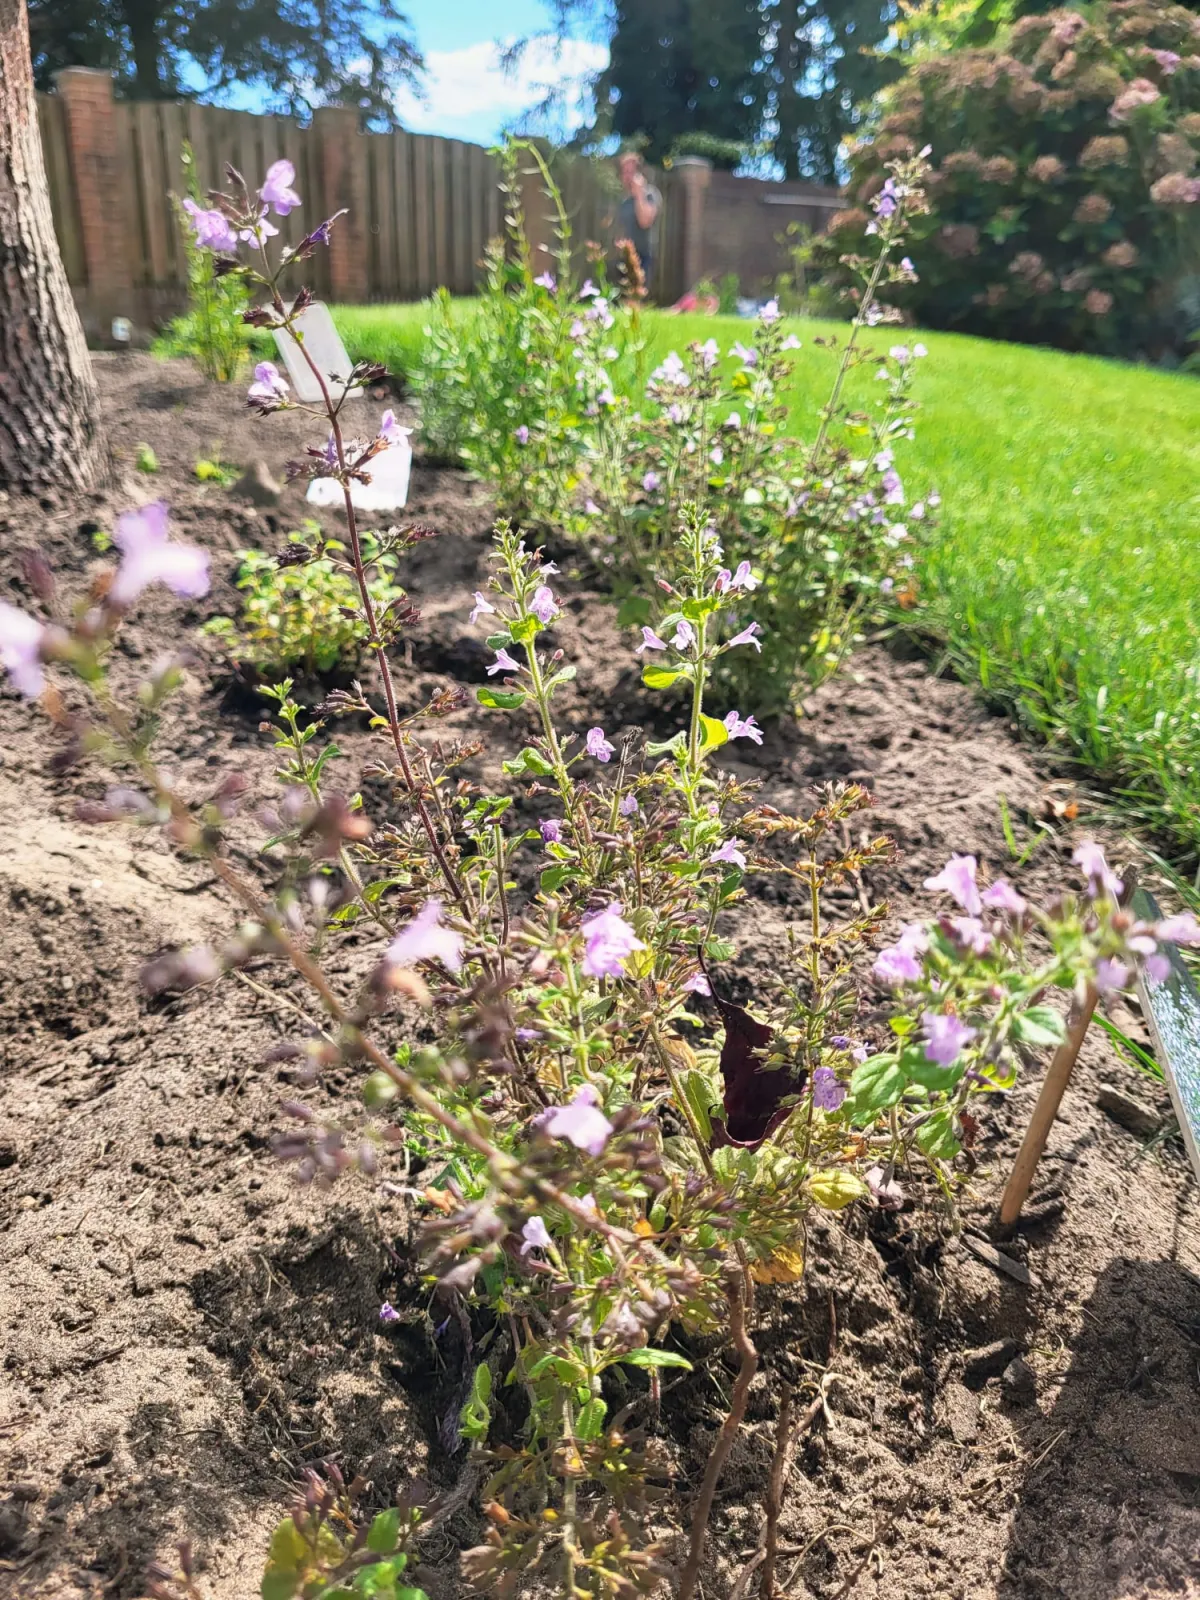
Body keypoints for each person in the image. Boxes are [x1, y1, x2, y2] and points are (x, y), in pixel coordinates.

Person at [616, 151, 661, 291]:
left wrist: (639, 195)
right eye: (624, 172)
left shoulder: (650, 195)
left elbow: (645, 221)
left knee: (637, 298)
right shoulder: (624, 200)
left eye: (630, 172)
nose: (627, 176)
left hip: (643, 256)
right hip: (624, 256)